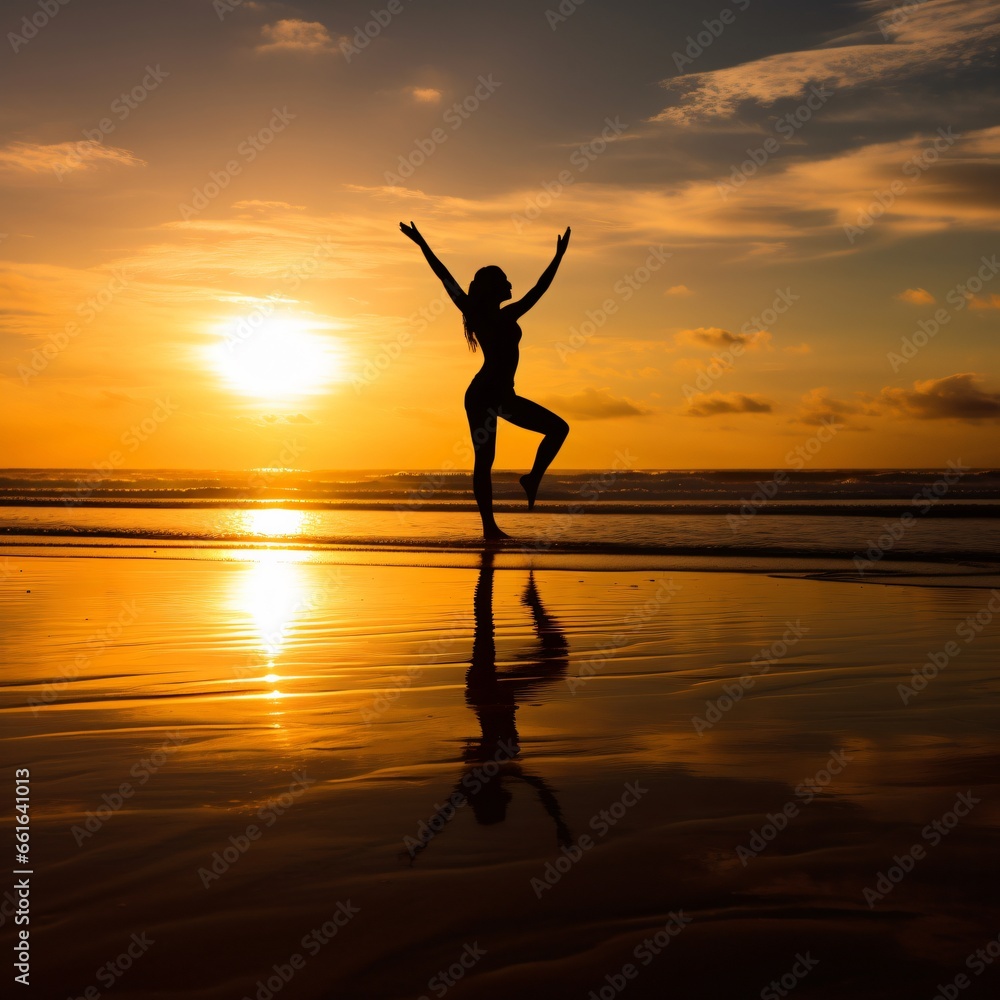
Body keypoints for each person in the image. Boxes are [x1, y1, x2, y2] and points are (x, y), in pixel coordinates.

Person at [400, 221, 571, 541]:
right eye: (504, 280)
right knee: (485, 460)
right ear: (494, 287)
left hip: (500, 394)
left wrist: (559, 255)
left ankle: (532, 479)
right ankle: (490, 528)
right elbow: (444, 275)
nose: (510, 284)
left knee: (558, 428)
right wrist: (422, 242)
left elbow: (539, 288)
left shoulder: (505, 314)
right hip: (483, 395)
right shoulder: (483, 313)